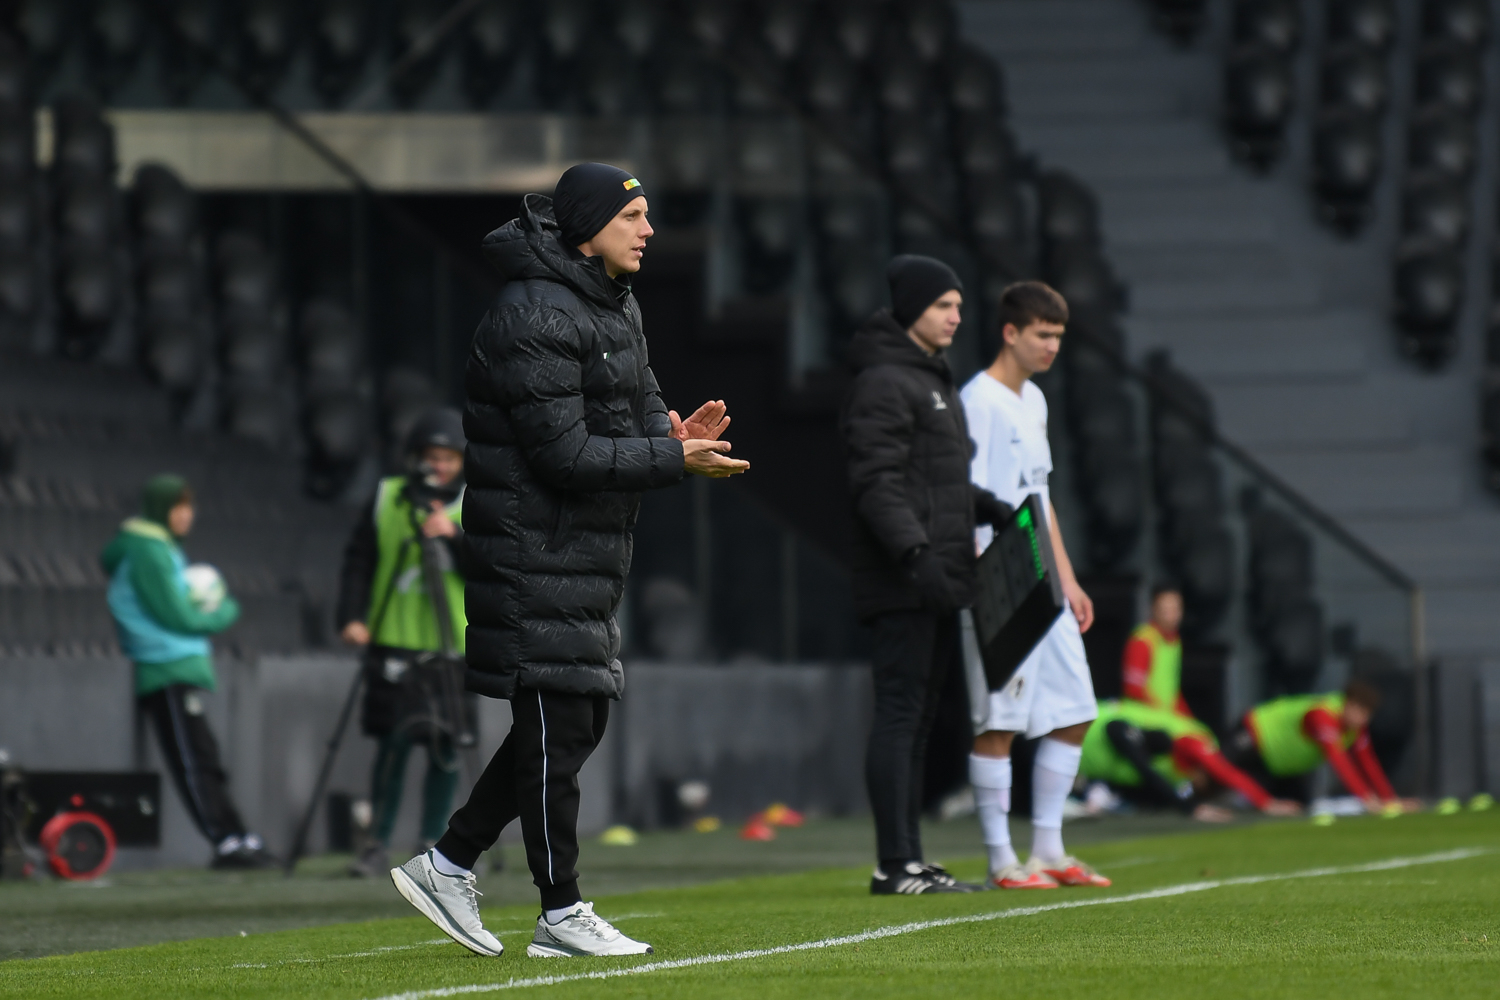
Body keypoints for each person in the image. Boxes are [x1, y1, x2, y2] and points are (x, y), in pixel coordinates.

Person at [389, 162, 747, 959]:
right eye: (632, 217)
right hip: (531, 552)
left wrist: (672, 436)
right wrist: (669, 457)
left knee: (574, 723)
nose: (648, 230)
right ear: (588, 230)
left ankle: (448, 862)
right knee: (556, 728)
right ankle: (560, 910)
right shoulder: (532, 315)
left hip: (582, 552)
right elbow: (565, 455)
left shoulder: (613, 301)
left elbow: (640, 403)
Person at [842, 254, 1013, 896]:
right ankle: (894, 865)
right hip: (906, 579)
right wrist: (917, 558)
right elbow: (877, 485)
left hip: (937, 575)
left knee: (916, 721)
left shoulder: (926, 377)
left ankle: (909, 860)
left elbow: (931, 482)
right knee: (900, 715)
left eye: (959, 306)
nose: (956, 316)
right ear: (913, 307)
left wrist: (983, 506)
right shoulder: (886, 381)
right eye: (944, 305)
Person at [960, 281, 1110, 891]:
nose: (1052, 346)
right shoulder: (979, 402)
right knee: (998, 723)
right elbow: (966, 496)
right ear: (1010, 332)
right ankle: (1002, 861)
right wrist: (981, 576)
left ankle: (1048, 849)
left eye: (1058, 337)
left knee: (1076, 711)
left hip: (1042, 575)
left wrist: (1067, 578)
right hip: (999, 577)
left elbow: (1039, 496)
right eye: (1043, 335)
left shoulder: (1035, 401)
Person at [100, 474, 273, 869]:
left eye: (189, 506)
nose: (186, 515)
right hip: (164, 666)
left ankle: (237, 834)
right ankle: (225, 840)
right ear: (160, 509)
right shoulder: (149, 551)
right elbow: (177, 616)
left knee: (204, 757)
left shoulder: (161, 548)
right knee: (194, 761)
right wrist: (225, 609)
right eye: (178, 506)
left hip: (176, 666)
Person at [336, 408, 470, 878]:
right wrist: (351, 616)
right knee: (391, 745)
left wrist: (454, 536)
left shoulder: (477, 503)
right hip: (393, 638)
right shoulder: (387, 497)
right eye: (432, 457)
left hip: (454, 643)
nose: (440, 467)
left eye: (449, 458)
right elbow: (359, 560)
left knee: (446, 747)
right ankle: (376, 843)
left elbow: (496, 566)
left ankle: (434, 845)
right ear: (414, 457)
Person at [1080, 700, 1301, 821]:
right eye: (1203, 783)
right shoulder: (1192, 742)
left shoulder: (1178, 767)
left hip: (1085, 756)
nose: (1196, 785)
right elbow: (1225, 771)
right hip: (1085, 727)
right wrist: (1266, 802)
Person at [1223, 681, 1418, 813]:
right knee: (1217, 772)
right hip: (1255, 732)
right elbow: (1339, 761)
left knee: (1298, 807)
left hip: (1277, 763)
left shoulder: (1356, 728)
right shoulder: (1322, 716)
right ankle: (1210, 803)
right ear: (1347, 704)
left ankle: (1243, 800)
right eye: (1359, 711)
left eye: (1367, 715)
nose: (1363, 720)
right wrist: (1366, 798)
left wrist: (1390, 801)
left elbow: (1368, 761)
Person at [1121, 583, 1191, 716]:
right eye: (1165, 610)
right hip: (1144, 718)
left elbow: (1172, 691)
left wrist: (1186, 717)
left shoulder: (1175, 641)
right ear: (1153, 609)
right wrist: (1163, 712)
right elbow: (1133, 689)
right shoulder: (1142, 640)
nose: (1171, 616)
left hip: (1164, 716)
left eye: (1175, 609)